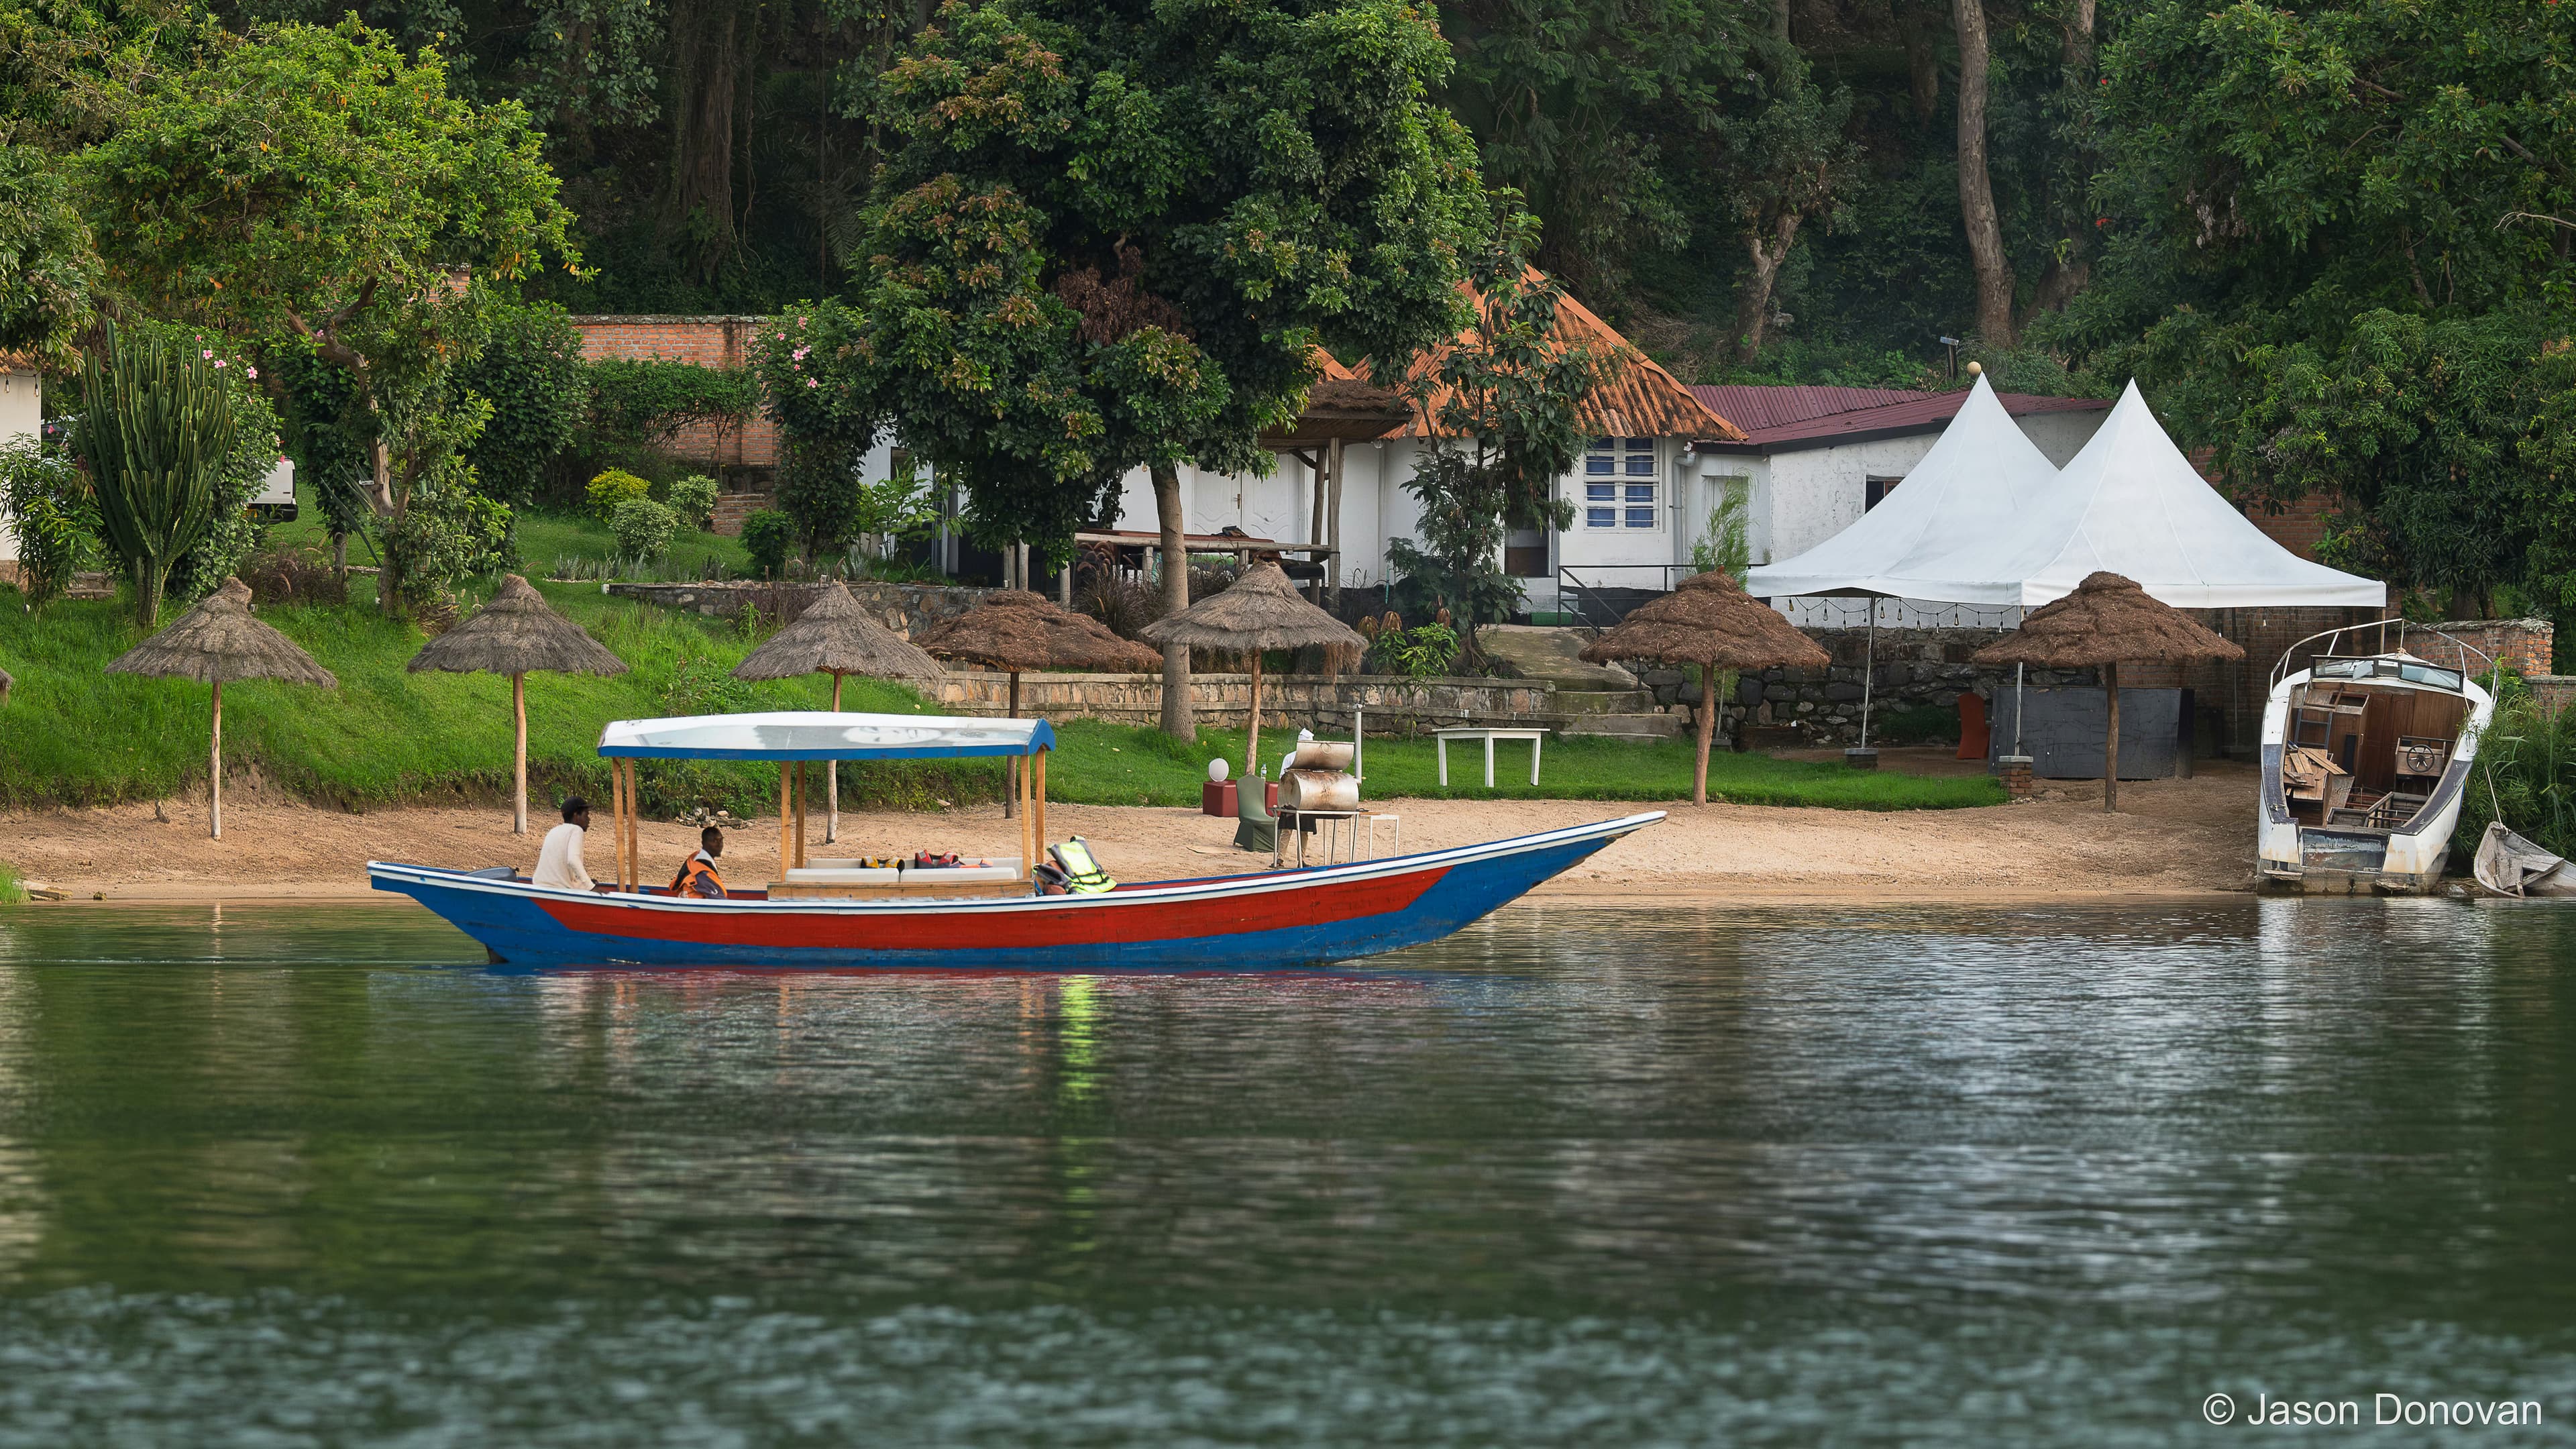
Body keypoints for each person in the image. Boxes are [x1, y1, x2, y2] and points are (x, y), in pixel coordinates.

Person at [533, 797, 609, 893]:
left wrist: (584, 883)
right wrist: (591, 887)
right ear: (576, 816)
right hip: (559, 890)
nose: (589, 820)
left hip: (539, 885)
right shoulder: (576, 830)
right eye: (586, 815)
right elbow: (573, 860)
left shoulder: (554, 831)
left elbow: (563, 871)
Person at [671, 826, 727, 899]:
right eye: (714, 841)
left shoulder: (696, 857)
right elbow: (718, 899)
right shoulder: (702, 871)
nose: (719, 845)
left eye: (721, 840)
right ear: (704, 843)